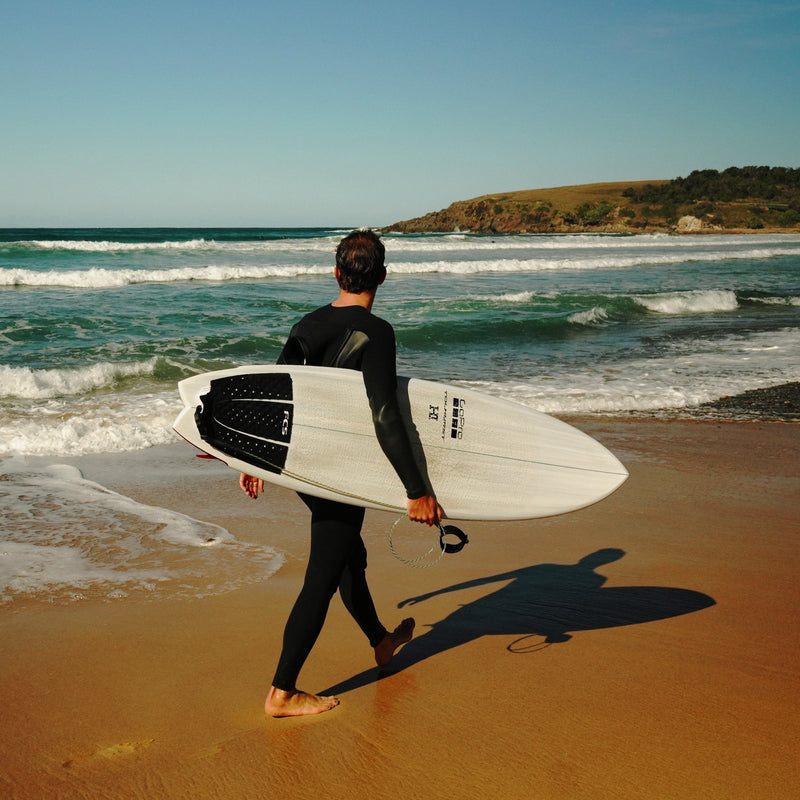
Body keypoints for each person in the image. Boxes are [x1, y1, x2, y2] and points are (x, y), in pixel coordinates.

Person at [239, 229, 443, 717]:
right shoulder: (378, 332)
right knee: (323, 575)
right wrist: (417, 491)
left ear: (336, 273)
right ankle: (282, 692)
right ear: (384, 277)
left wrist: (253, 460)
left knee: (348, 554)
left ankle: (380, 641)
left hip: (306, 469)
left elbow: (273, 397)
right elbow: (384, 414)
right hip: (342, 471)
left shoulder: (306, 325)